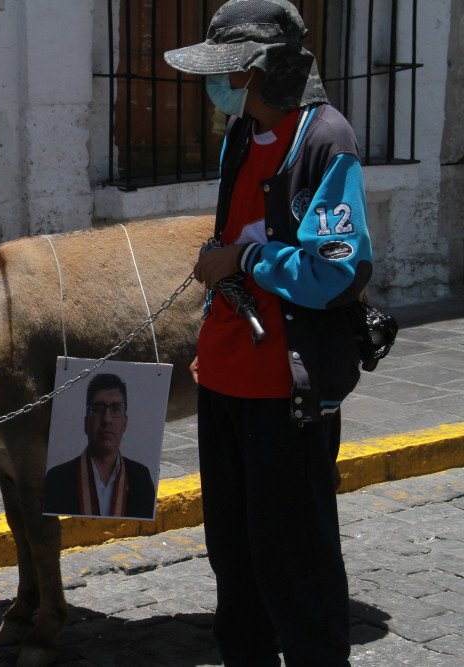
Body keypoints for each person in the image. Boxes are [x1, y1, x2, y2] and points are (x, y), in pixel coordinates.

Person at [163, 1, 372, 664]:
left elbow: (336, 270)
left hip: (285, 391)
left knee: (296, 563)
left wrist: (244, 259)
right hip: (224, 378)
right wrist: (222, 255)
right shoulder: (237, 135)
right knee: (235, 558)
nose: (217, 84)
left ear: (261, 69)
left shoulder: (323, 139)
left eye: (228, 70)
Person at [43, 373, 156, 518]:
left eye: (115, 409)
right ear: (86, 422)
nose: (107, 419)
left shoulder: (141, 477)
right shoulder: (57, 478)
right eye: (98, 409)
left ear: (125, 423)